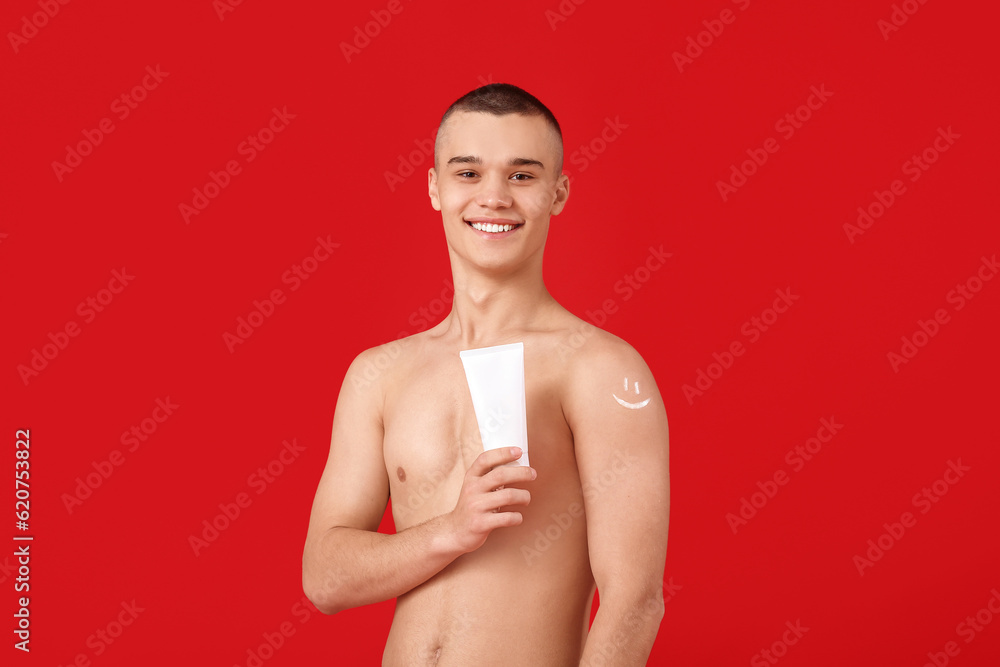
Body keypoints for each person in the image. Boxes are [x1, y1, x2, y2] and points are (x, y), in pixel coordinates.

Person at [302, 83, 670, 666]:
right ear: (434, 188)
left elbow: (635, 600)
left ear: (558, 192)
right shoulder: (379, 374)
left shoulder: (598, 367)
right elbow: (325, 578)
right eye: (468, 173)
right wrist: (452, 529)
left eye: (522, 176)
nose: (493, 197)